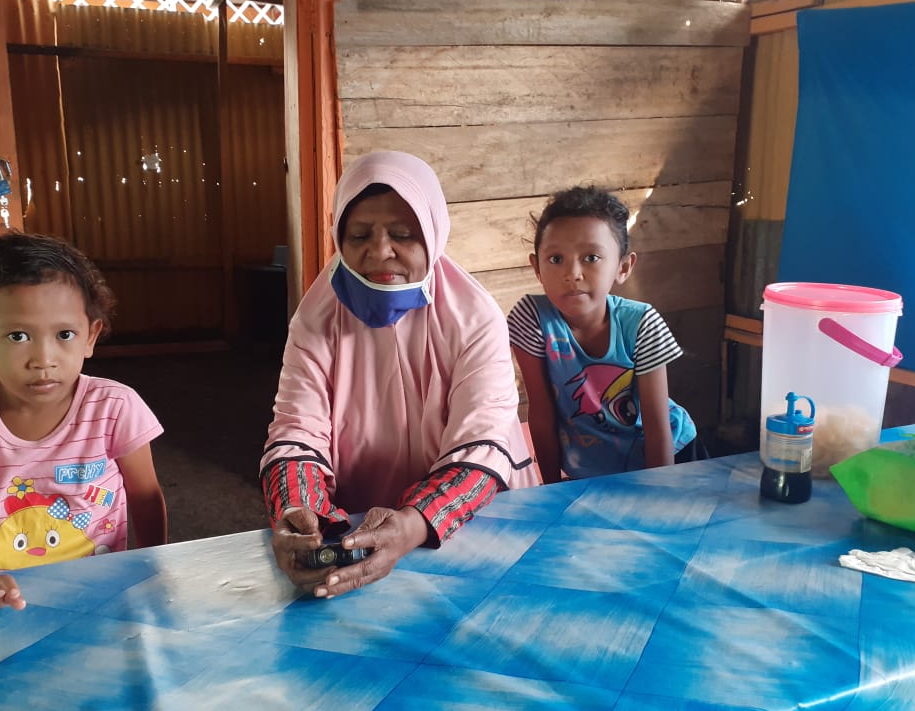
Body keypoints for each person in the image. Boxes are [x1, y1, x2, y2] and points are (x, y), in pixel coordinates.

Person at [261, 150, 538, 598]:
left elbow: (483, 442)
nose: (380, 251)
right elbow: (296, 430)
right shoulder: (316, 318)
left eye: (404, 234)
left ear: (433, 235)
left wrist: (413, 524)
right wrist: (302, 513)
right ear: (339, 238)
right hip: (354, 530)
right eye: (359, 235)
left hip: (466, 520)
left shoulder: (474, 317)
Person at [0, 232, 168, 635]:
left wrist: (152, 568)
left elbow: (145, 495)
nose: (44, 359)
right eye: (18, 336)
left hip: (101, 592)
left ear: (91, 336)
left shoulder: (116, 406)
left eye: (64, 334)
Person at [508, 185, 700, 484]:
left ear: (623, 267)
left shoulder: (641, 324)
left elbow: (656, 425)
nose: (572, 273)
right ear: (537, 268)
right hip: (590, 468)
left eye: (591, 258)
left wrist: (659, 494)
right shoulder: (531, 318)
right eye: (556, 259)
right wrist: (548, 488)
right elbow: (542, 412)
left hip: (670, 458)